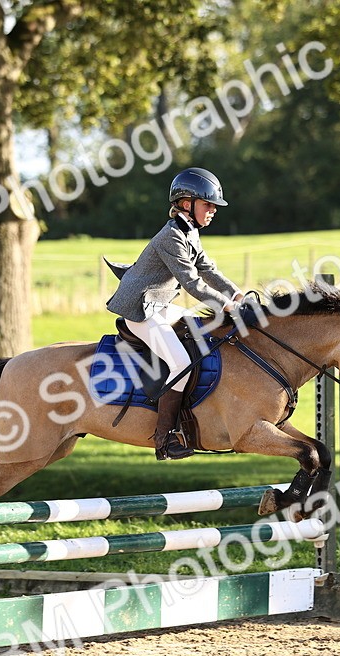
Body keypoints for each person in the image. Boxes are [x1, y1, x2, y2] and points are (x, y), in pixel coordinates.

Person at [105, 167, 244, 460]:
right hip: (141, 309)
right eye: (208, 205)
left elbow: (208, 270)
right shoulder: (171, 236)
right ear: (186, 203)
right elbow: (192, 283)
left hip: (161, 305)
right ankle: (164, 438)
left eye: (214, 206)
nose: (213, 211)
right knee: (182, 363)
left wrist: (235, 293)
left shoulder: (188, 231)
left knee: (206, 328)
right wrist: (226, 305)